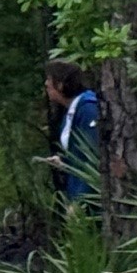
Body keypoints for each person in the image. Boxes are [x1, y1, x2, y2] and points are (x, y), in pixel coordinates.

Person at [42, 60, 99, 201]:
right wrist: (65, 161)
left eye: (49, 79)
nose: (46, 84)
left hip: (91, 199)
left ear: (60, 85)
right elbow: (78, 152)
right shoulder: (72, 111)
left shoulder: (88, 110)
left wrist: (81, 199)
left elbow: (92, 157)